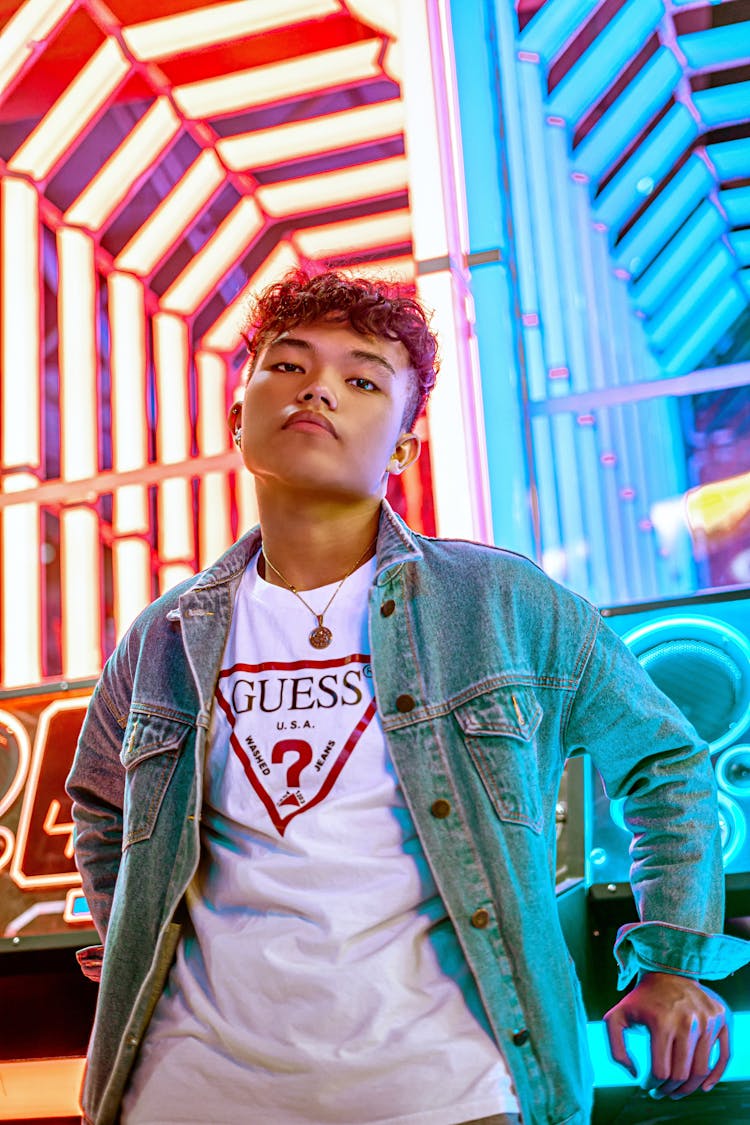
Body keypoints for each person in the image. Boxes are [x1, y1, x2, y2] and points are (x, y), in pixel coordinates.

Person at [67, 269, 749, 1125]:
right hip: (187, 1094)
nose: (319, 387)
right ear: (237, 416)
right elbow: (99, 808)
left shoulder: (503, 603)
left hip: (445, 1094)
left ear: (403, 447)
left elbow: (666, 760)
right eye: (288, 365)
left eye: (361, 379)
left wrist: (673, 960)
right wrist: (141, 942)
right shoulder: (160, 637)